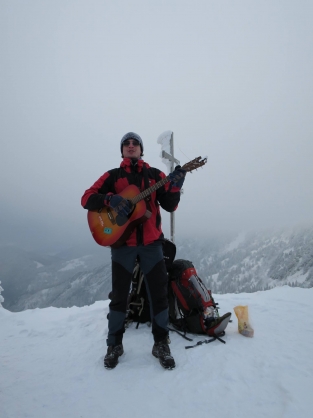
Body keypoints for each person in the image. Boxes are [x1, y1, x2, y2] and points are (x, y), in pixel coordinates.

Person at [81, 132, 186, 370]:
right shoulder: (113, 176)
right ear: (122, 150)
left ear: (141, 149)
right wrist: (110, 199)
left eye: (135, 143)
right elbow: (87, 198)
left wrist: (176, 185)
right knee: (119, 296)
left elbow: (170, 205)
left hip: (152, 244)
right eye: (126, 144)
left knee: (158, 296)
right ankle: (114, 345)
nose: (131, 146)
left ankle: (161, 343)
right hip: (123, 246)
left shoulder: (155, 176)